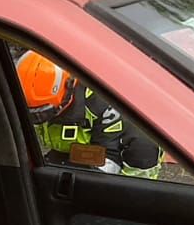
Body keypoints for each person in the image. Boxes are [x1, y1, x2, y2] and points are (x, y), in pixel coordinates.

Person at [17, 51, 161, 177]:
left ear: (67, 91)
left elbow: (111, 157)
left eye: (43, 112)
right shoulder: (29, 87)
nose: (37, 118)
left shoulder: (100, 104)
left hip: (119, 158)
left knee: (141, 149)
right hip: (73, 152)